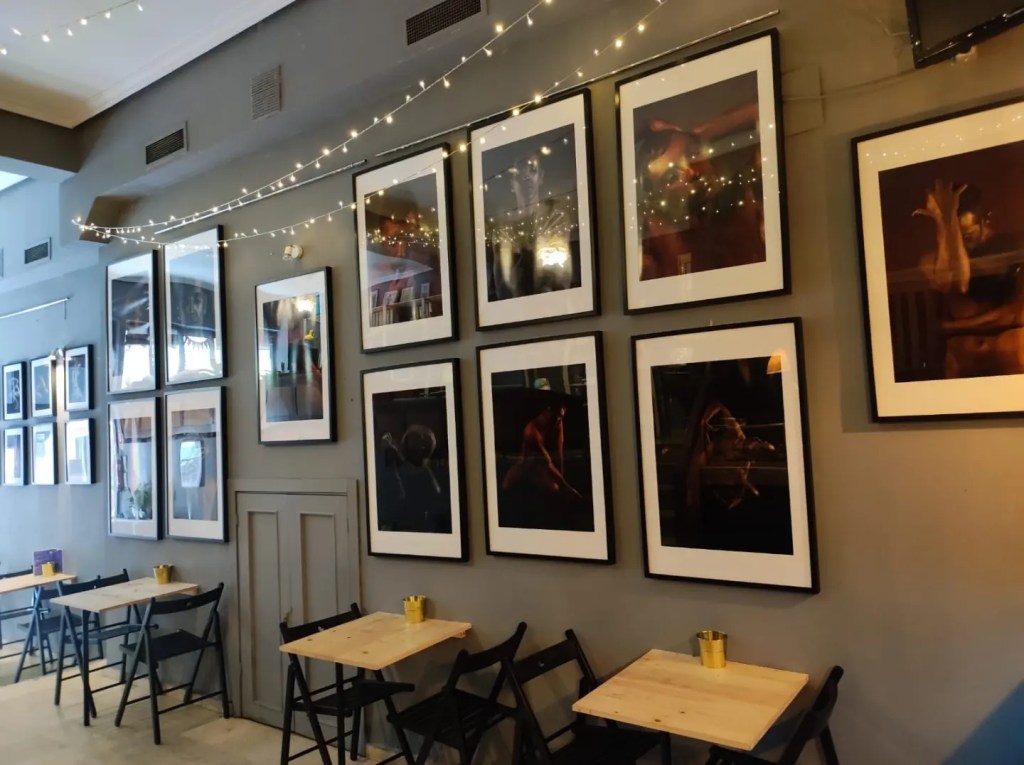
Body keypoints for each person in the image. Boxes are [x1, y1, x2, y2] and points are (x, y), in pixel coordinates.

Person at [913, 181, 1024, 378]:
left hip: (1008, 358)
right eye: (955, 233)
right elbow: (953, 283)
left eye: (968, 235)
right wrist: (945, 223)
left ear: (985, 221)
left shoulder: (1010, 250)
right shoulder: (934, 260)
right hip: (964, 363)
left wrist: (951, 327)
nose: (961, 242)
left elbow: (1013, 314)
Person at [488, 140, 579, 300]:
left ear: (540, 177)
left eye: (532, 170)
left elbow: (559, 280)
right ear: (512, 183)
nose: (526, 177)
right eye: (519, 172)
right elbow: (504, 288)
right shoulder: (504, 229)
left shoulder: (555, 217)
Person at [501, 403, 583, 501]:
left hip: (540, 466)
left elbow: (559, 453)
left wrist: (562, 480)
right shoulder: (531, 432)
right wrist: (567, 487)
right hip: (527, 467)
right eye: (556, 416)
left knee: (556, 487)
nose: (559, 420)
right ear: (548, 412)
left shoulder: (558, 422)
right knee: (554, 488)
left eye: (561, 417)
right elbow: (548, 464)